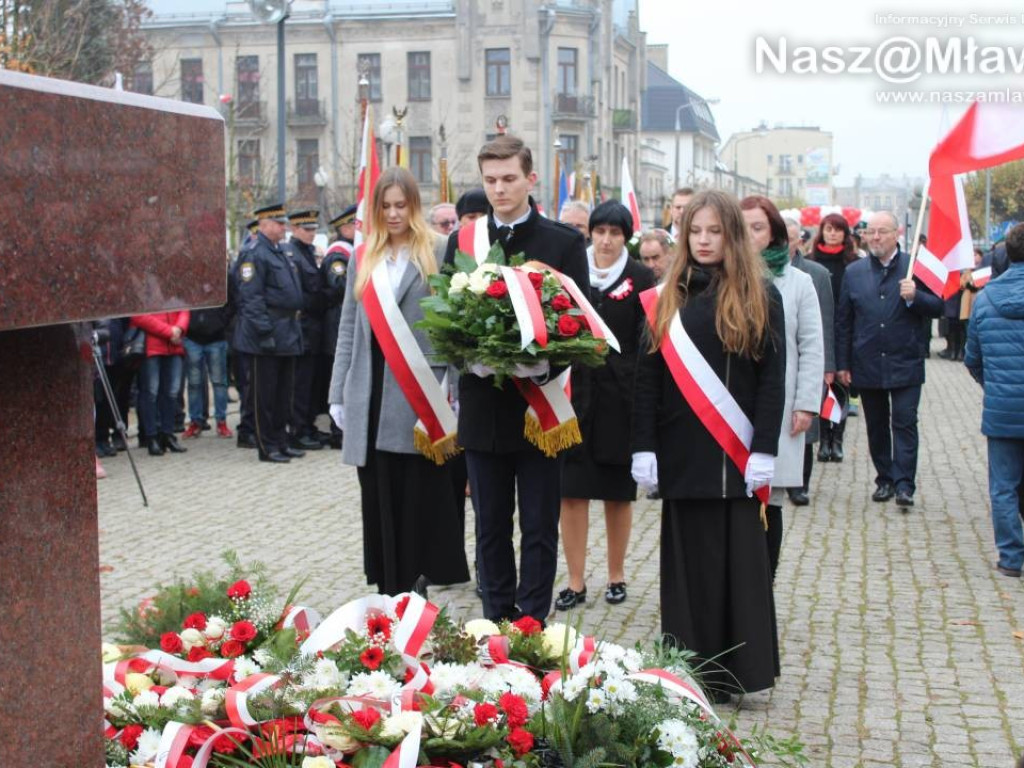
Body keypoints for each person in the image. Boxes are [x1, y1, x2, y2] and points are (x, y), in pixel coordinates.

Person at [631, 188, 785, 701]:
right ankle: (690, 670)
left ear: (731, 236)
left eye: (714, 231)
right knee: (688, 569)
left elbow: (772, 380)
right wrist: (643, 446)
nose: (703, 240)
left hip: (737, 456)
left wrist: (764, 448)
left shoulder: (762, 295)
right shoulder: (665, 295)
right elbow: (647, 379)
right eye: (694, 231)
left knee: (737, 570)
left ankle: (736, 673)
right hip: (682, 455)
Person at [443, 134, 589, 624]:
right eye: (490, 180)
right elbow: (446, 320)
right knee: (488, 524)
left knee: (539, 524)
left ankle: (531, 620)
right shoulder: (462, 242)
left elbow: (581, 326)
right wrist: (471, 355)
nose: (499, 189)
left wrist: (542, 364)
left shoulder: (563, 242)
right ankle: (495, 617)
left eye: (509, 178)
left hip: (540, 405)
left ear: (531, 178)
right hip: (484, 403)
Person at [329, 167, 469, 595]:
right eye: (385, 206)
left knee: (417, 499)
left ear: (414, 205)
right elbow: (349, 329)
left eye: (400, 205)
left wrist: (455, 387)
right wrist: (337, 393)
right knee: (377, 497)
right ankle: (386, 588)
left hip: (417, 395)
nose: (392, 214)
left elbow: (454, 324)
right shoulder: (363, 255)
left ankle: (414, 587)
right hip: (369, 393)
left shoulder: (438, 251)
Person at [556, 200, 655, 610]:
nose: (607, 240)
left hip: (620, 401)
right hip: (574, 399)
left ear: (625, 237)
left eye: (615, 233)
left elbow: (648, 341)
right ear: (590, 233)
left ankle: (617, 575)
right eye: (600, 232)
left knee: (618, 494)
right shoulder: (572, 272)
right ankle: (576, 580)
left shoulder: (641, 276)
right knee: (572, 493)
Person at [836, 211, 943, 508]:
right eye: (871, 232)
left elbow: (939, 306)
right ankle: (884, 478)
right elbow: (844, 321)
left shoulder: (914, 268)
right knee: (877, 425)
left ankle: (904, 484)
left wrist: (915, 297)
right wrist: (842, 363)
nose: (876, 237)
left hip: (905, 360)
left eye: (883, 231)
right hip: (867, 361)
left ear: (897, 234)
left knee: (905, 422)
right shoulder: (855, 272)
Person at [742, 197, 823, 579]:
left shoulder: (799, 283)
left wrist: (807, 403)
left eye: (756, 227)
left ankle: (764, 579)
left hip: (780, 402)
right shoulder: (721, 276)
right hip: (731, 404)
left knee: (768, 496)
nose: (748, 235)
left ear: (773, 232)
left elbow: (811, 346)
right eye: (741, 227)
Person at [964, 222, 1024, 578]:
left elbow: (972, 359)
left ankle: (1011, 557)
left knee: (1003, 485)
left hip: (1002, 407)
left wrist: (996, 386)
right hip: (1002, 402)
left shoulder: (986, 298)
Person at [233, 202, 306, 463]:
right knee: (264, 394)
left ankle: (281, 440)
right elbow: (251, 299)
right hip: (266, 334)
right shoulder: (254, 253)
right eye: (278, 223)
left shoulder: (278, 251)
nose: (283, 228)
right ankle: (267, 446)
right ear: (263, 225)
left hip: (287, 331)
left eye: (284, 223)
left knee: (283, 393)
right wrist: (264, 333)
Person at [784, 217, 835, 506]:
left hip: (808, 358)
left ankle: (800, 484)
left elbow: (825, 323)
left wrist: (828, 366)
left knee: (804, 424)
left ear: (800, 241)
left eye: (791, 238)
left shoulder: (815, 274)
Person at [808, 213, 857, 462]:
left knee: (839, 386)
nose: (833, 233)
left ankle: (836, 439)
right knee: (817, 386)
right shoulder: (810, 261)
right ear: (822, 231)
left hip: (843, 331)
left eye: (838, 230)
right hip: (816, 328)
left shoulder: (852, 262)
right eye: (829, 229)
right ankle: (822, 439)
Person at [285, 209, 328, 451]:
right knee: (300, 385)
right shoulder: (292, 254)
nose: (312, 233)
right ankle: (298, 429)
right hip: (302, 328)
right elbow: (300, 294)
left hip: (313, 329)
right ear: (294, 229)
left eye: (313, 229)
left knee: (311, 384)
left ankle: (307, 425)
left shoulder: (308, 253)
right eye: (306, 229)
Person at [320, 205, 357, 450]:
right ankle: (337, 431)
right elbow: (340, 286)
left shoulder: (352, 251)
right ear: (344, 227)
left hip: (342, 321)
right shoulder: (338, 254)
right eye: (356, 224)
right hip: (336, 324)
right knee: (341, 377)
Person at [130, 309, 191, 456]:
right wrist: (169, 331)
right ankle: (151, 437)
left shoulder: (173, 286)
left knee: (172, 392)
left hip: (174, 346)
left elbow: (184, 308)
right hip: (152, 347)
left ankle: (167, 434)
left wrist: (179, 328)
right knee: (150, 393)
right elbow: (138, 315)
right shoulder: (142, 288)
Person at [181, 297, 233, 440]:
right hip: (192, 337)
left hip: (216, 337)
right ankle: (195, 421)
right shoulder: (189, 278)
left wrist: (221, 322)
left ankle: (221, 421)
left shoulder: (220, 278)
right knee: (193, 383)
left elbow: (231, 302)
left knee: (219, 383)